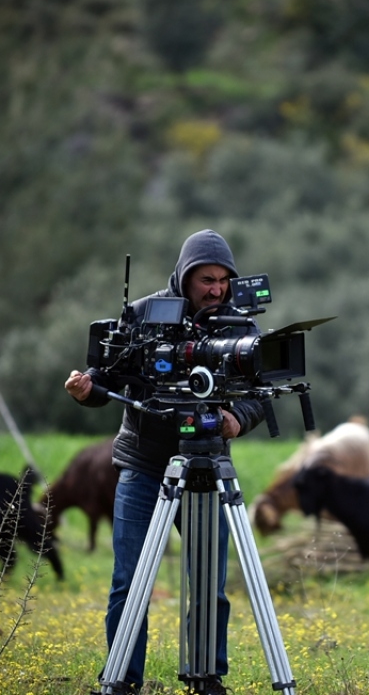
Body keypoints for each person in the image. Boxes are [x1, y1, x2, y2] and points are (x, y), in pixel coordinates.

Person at [65, 229, 266, 695]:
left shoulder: (241, 327)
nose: (216, 289)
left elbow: (261, 394)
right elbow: (104, 378)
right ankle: (120, 680)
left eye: (222, 280)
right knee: (128, 581)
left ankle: (206, 677)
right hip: (143, 464)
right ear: (184, 277)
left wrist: (238, 418)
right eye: (206, 280)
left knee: (209, 584)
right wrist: (85, 388)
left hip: (206, 466)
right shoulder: (142, 315)